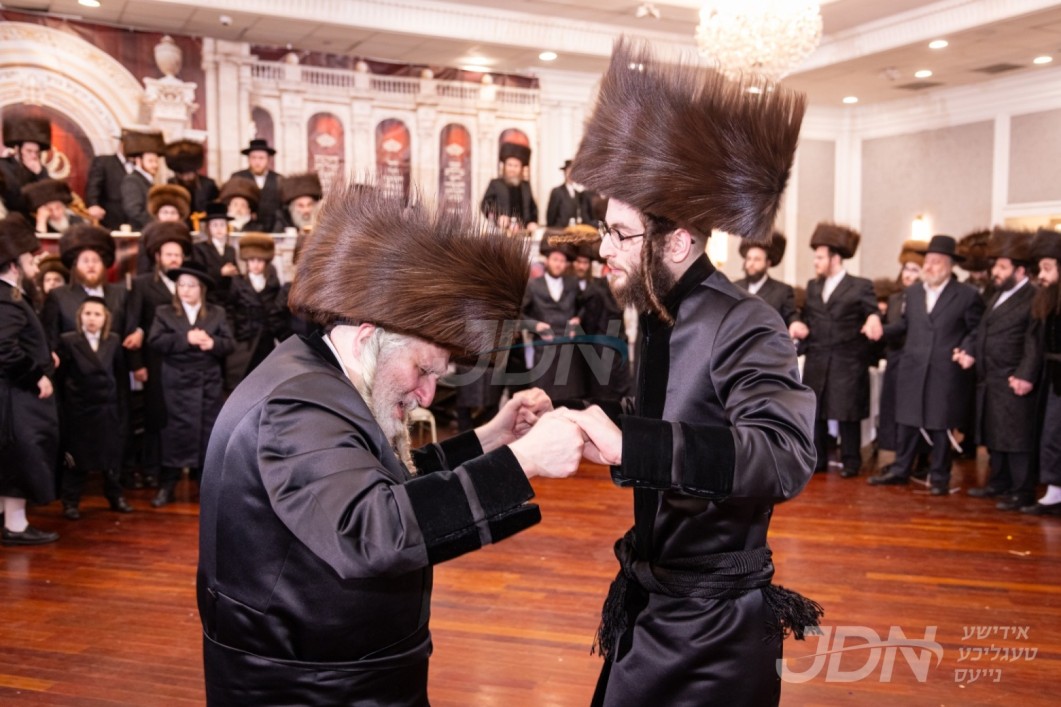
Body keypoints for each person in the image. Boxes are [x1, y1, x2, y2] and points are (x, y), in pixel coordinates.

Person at [196, 182, 585, 703]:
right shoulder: (297, 406)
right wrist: (523, 462)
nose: (427, 395)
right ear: (367, 338)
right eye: (424, 370)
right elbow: (373, 531)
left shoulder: (314, 381)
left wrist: (493, 439)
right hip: (312, 688)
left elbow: (377, 479)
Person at [561, 38, 820, 706]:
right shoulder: (656, 313)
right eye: (604, 231)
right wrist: (602, 431)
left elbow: (785, 454)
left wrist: (635, 445)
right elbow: (677, 419)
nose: (603, 249)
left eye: (620, 234)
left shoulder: (745, 320)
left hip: (711, 623)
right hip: (655, 597)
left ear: (676, 240)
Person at [868, 235, 983, 494]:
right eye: (927, 261)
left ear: (950, 265)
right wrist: (881, 330)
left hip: (945, 369)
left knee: (941, 423)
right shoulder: (913, 292)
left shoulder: (967, 295)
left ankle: (939, 477)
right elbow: (905, 325)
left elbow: (976, 330)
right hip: (913, 365)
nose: (929, 267)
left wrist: (967, 349)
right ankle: (900, 470)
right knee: (907, 420)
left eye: (936, 261)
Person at [790, 223, 883, 477]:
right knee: (816, 410)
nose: (815, 262)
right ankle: (817, 459)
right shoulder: (813, 286)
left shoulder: (860, 285)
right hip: (818, 357)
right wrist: (797, 322)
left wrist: (873, 318)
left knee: (848, 412)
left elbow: (872, 311)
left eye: (820, 257)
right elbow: (805, 315)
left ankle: (851, 461)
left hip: (847, 360)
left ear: (835, 258)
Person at [959, 228, 1042, 510]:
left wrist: (1026, 374)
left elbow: (1034, 340)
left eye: (1002, 267)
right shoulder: (997, 294)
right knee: (996, 433)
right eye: (995, 265)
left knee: (1017, 438)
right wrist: (971, 352)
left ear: (1020, 271)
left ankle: (1022, 490)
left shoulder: (1033, 297)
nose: (995, 271)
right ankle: (999, 482)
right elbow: (984, 330)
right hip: (991, 377)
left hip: (1014, 378)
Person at [147, 260, 234, 507]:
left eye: (191, 285)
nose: (185, 289)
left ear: (202, 289)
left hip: (208, 383)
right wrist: (186, 338)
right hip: (177, 383)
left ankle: (206, 488)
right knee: (175, 435)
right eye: (181, 285)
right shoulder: (164, 312)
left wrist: (213, 343)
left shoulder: (217, 313)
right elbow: (155, 341)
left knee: (207, 435)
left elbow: (230, 344)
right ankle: (168, 485)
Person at [0, 213, 59, 546]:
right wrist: (36, 375)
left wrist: (45, 355)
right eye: (29, 258)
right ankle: (16, 527)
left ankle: (12, 523)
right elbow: (4, 348)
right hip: (16, 399)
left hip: (13, 397)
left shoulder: (10, 296)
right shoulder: (6, 298)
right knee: (20, 458)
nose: (35, 263)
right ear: (13, 265)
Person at [127, 221, 194, 489]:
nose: (174, 259)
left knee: (179, 413)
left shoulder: (189, 284)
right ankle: (152, 468)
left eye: (178, 254)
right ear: (157, 256)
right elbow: (133, 324)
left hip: (182, 360)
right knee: (155, 415)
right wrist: (137, 365)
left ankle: (176, 467)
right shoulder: (142, 284)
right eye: (169, 254)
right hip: (153, 360)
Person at [55, 297, 132, 518]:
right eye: (87, 313)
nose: (92, 318)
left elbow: (120, 378)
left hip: (107, 410)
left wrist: (121, 409)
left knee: (111, 457)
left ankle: (115, 496)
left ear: (105, 318)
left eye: (97, 314)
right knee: (77, 459)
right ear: (80, 316)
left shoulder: (113, 341)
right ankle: (70, 502)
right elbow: (60, 379)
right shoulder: (68, 341)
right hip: (79, 411)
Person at [875, 239, 926, 456]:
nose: (908, 274)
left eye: (914, 270)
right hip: (895, 359)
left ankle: (919, 456)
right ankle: (896, 453)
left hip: (915, 361)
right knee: (892, 408)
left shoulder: (924, 298)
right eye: (906, 269)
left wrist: (882, 330)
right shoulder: (894, 298)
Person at [1023, 227, 1061, 515]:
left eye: (1047, 268)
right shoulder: (1049, 300)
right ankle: (1054, 491)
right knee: (1050, 435)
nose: (1042, 276)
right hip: (1052, 376)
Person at [521, 236, 586, 400]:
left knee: (569, 402)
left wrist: (578, 319)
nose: (558, 264)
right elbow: (519, 315)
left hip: (568, 351)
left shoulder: (573, 283)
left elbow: (584, 307)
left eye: (562, 261)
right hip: (544, 351)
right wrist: (535, 326)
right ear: (547, 260)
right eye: (555, 259)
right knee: (542, 401)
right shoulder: (533, 285)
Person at [225, 232, 282, 384]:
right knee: (242, 379)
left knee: (266, 378)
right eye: (251, 260)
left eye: (260, 260)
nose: (255, 264)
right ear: (246, 261)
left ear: (266, 262)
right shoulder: (238, 282)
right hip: (245, 340)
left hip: (266, 341)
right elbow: (230, 310)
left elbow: (276, 311)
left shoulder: (272, 283)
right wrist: (233, 334)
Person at [733, 231, 796, 326]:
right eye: (748, 259)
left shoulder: (783, 291)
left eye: (757, 259)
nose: (751, 264)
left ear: (768, 263)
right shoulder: (735, 287)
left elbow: (792, 316)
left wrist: (796, 323)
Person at [84, 130, 137, 230]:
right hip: (110, 219)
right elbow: (94, 186)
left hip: (133, 221)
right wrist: (93, 205)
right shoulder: (104, 162)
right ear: (121, 144)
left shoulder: (139, 165)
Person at [480, 142, 538, 232]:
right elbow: (485, 205)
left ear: (521, 168)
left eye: (516, 166)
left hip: (523, 231)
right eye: (509, 165)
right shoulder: (495, 184)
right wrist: (498, 217)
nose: (512, 169)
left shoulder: (526, 185)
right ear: (504, 166)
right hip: (501, 230)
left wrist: (532, 222)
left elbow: (533, 208)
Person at [0, 115, 51, 214]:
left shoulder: (40, 170)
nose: (33, 156)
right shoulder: (3, 166)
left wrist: (39, 173)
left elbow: (51, 196)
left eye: (36, 152)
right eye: (29, 151)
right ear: (17, 149)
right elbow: (14, 200)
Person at [230, 138, 282, 233]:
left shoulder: (278, 179)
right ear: (248, 159)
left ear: (268, 159)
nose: (257, 162)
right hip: (245, 229)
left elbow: (281, 208)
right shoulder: (238, 177)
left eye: (261, 158)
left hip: (272, 229)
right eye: (253, 158)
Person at [192, 202, 239, 307]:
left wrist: (234, 272)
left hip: (228, 298)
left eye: (222, 225)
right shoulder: (200, 248)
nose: (219, 229)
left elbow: (236, 273)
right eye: (215, 225)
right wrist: (220, 272)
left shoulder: (230, 250)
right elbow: (199, 274)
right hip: (209, 297)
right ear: (208, 228)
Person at [119, 130, 166, 230]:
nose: (155, 165)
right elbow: (134, 210)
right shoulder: (132, 180)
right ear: (138, 161)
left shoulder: (148, 180)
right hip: (141, 232)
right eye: (150, 161)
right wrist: (158, 224)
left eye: (156, 161)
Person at [164, 139, 219, 215]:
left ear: (195, 170)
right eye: (181, 174)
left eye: (189, 173)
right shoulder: (170, 185)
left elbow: (215, 209)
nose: (185, 177)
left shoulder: (208, 184)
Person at [546, 159, 591, 227]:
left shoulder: (578, 194)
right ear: (564, 173)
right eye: (568, 172)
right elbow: (551, 216)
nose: (570, 175)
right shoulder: (557, 192)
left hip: (573, 229)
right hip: (559, 230)